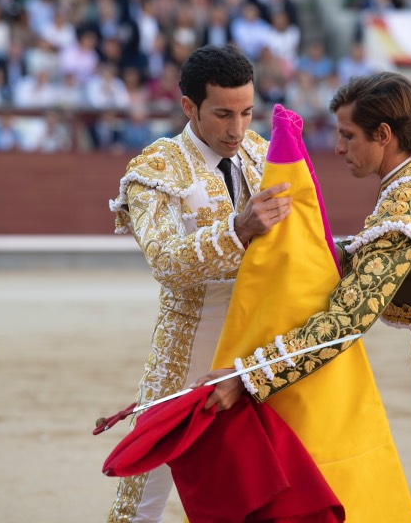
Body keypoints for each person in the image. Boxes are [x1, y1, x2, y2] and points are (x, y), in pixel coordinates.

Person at [198, 72, 411, 522]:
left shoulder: (406, 209)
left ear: (383, 135)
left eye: (348, 136)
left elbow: (345, 322)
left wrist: (249, 375)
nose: (340, 148)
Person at [106, 44, 292, 522]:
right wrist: (239, 230)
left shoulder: (260, 153)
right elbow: (166, 262)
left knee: (266, 483)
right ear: (189, 106)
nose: (237, 129)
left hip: (257, 345)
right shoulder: (157, 169)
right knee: (142, 497)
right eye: (223, 114)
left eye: (247, 112)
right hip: (188, 346)